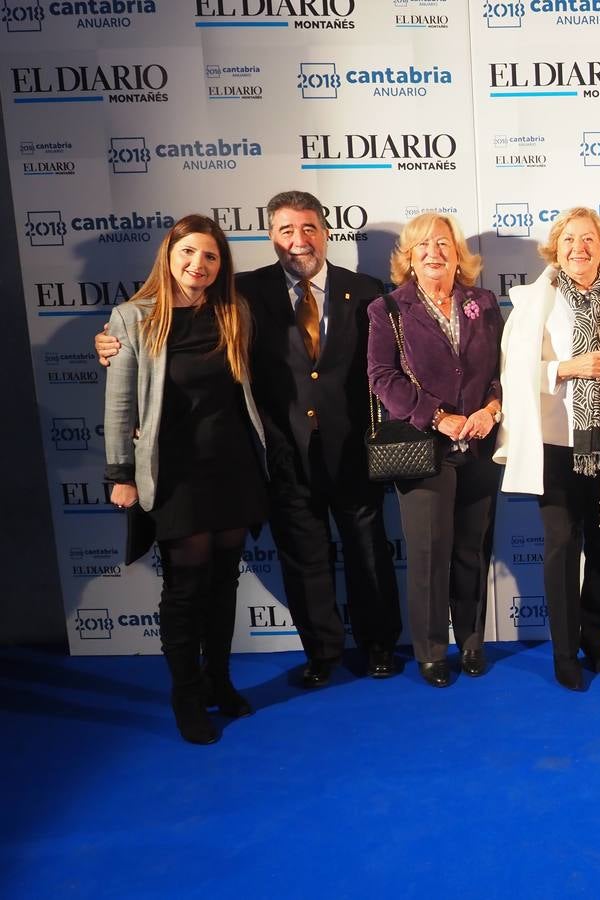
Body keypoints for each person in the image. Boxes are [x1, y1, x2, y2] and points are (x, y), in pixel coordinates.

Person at [100, 191, 402, 687]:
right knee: (304, 560)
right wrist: (108, 342)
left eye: (308, 228)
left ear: (326, 231)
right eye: (285, 230)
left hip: (354, 452)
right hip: (280, 456)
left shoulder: (367, 290)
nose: (297, 240)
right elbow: (164, 321)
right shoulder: (240, 294)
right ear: (271, 237)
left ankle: (379, 646)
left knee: (369, 553)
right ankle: (323, 654)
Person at [104, 214, 267, 744]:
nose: (199, 264)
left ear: (222, 265)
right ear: (169, 257)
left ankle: (220, 681)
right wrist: (119, 473)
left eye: (211, 256)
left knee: (224, 583)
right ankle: (187, 694)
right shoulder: (134, 318)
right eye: (189, 253)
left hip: (234, 465)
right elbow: (121, 403)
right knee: (185, 588)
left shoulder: (233, 311)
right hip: (174, 472)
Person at [495, 207, 600, 691]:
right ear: (555, 249)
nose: (578, 248)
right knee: (562, 548)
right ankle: (564, 652)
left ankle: (594, 639)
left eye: (588, 239)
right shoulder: (533, 303)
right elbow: (512, 373)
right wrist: (565, 368)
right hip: (557, 445)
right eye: (568, 240)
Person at [368, 213, 503, 688]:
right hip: (425, 447)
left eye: (443, 243)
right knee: (428, 553)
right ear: (408, 255)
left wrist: (491, 408)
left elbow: (499, 371)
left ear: (457, 252)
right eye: (423, 244)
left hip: (481, 445)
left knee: (472, 549)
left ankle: (470, 640)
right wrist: (439, 417)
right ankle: (429, 649)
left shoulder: (483, 302)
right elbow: (383, 378)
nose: (434, 252)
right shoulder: (387, 309)